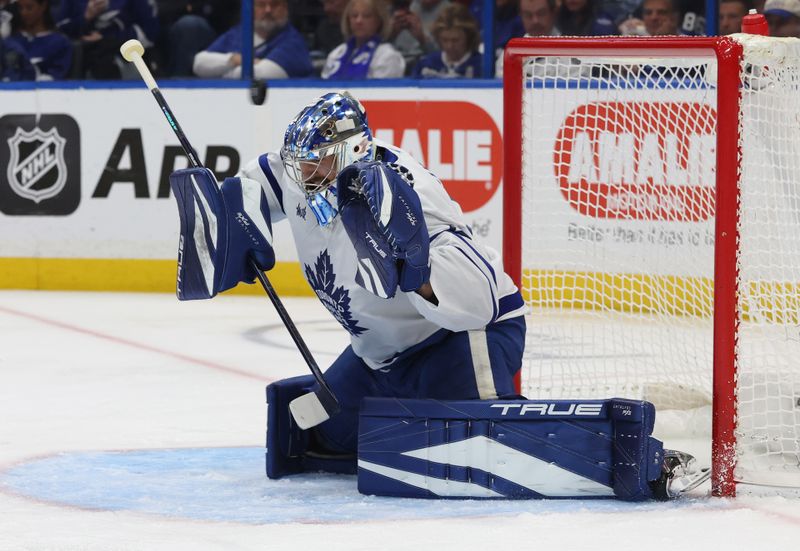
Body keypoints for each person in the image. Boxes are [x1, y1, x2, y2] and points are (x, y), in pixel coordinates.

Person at [169, 90, 527, 470]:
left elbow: (480, 304)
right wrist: (227, 224)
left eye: (316, 164)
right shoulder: (298, 172)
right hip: (380, 355)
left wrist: (413, 269)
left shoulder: (409, 195)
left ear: (353, 152)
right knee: (323, 439)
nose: (304, 176)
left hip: (457, 341)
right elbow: (250, 188)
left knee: (492, 455)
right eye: (299, 164)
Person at [192, 0, 312, 79]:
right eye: (261, 4)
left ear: (285, 8)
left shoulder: (293, 42)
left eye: (274, 5)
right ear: (251, 8)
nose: (268, 10)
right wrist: (235, 59)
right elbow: (199, 62)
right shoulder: (238, 33)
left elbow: (261, 74)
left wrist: (218, 71)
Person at [56, 0, 159, 79]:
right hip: (85, 56)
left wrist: (107, 36)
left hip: (123, 55)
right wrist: (86, 17)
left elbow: (150, 35)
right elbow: (59, 33)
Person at [321, 0, 405, 79]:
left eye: (367, 16)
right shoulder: (337, 54)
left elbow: (383, 92)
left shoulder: (387, 55)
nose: (359, 21)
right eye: (354, 16)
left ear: (379, 20)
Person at [2, 0, 72, 80]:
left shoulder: (60, 43)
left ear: (43, 6)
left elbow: (57, 76)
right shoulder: (11, 40)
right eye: (20, 8)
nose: (23, 13)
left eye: (29, 8)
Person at [412, 2, 481, 78]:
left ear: (468, 37)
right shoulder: (426, 65)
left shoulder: (482, 65)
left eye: (455, 40)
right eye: (445, 40)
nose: (449, 46)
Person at [495, 0, 560, 78]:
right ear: (520, 16)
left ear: (553, 12)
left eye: (541, 13)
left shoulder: (572, 56)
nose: (535, 21)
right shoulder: (508, 57)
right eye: (528, 15)